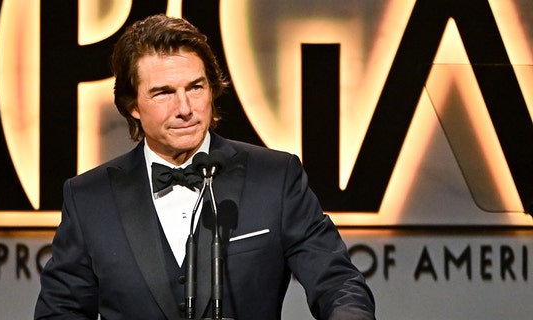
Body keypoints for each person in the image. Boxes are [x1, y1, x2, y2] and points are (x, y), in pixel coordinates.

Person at [35, 14, 375, 320]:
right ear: (132, 105)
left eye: (196, 87)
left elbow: (337, 281)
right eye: (163, 92)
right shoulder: (89, 199)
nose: (185, 108)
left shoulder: (275, 178)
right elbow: (60, 311)